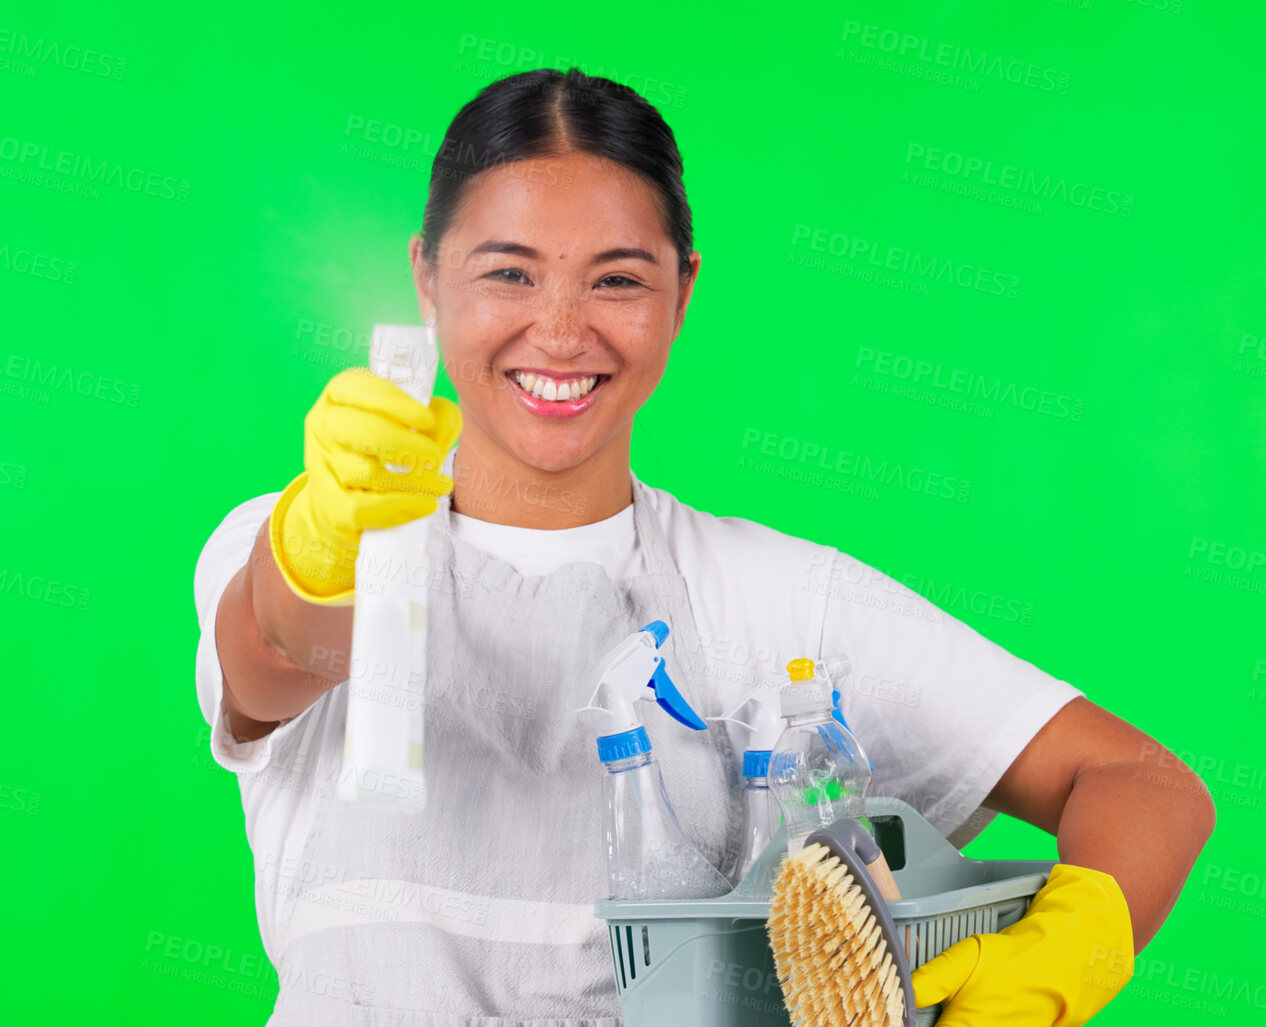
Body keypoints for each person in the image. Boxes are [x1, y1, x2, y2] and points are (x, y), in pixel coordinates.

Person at [194, 67, 1214, 1026]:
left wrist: (1071, 947)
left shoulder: (773, 603)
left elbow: (1145, 784)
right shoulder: (282, 542)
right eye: (508, 273)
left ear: (682, 293)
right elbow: (276, 659)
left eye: (616, 281)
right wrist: (324, 542)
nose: (558, 332)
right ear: (427, 277)